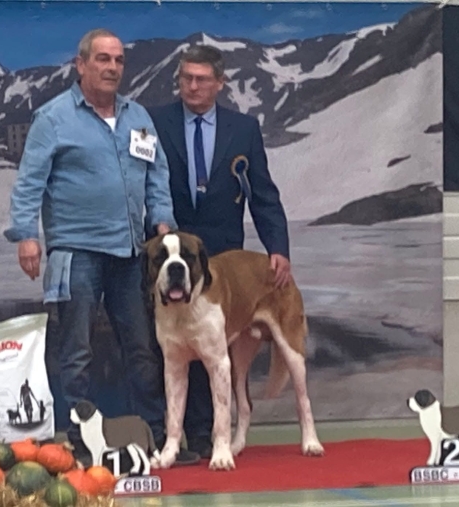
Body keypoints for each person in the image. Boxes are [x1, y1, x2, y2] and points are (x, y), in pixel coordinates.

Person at [4, 28, 199, 466]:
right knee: (77, 353)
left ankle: (156, 440)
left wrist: (163, 222)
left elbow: (156, 175)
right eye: (103, 59)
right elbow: (29, 181)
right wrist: (26, 235)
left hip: (131, 255)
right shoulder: (53, 118)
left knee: (143, 348)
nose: (112, 67)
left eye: (118, 60)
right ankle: (77, 446)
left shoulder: (138, 117)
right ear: (81, 65)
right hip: (76, 253)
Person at [147, 44, 293, 459]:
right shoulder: (153, 122)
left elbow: (263, 194)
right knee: (175, 346)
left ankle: (211, 436)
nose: (192, 86)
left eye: (202, 79)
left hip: (223, 255)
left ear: (220, 83)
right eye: (186, 78)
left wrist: (277, 246)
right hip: (170, 251)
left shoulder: (243, 129)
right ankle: (176, 437)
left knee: (214, 349)